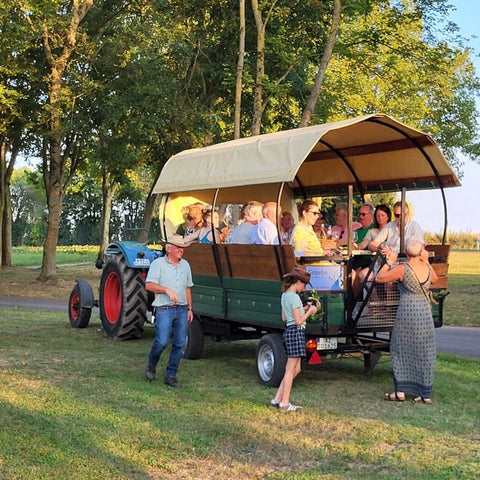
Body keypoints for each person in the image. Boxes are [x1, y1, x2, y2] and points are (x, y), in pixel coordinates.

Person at [375, 237, 438, 403]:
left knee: (401, 348)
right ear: (420, 251)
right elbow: (435, 279)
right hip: (424, 312)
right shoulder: (426, 267)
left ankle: (400, 391)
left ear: (406, 252)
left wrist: (390, 262)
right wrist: (426, 260)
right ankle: (425, 393)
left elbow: (379, 278)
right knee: (425, 351)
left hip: (407, 311)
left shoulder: (403, 268)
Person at [144, 235, 194, 387]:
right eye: (179, 248)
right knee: (162, 341)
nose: (181, 251)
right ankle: (151, 365)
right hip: (164, 308)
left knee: (179, 344)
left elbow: (187, 288)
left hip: (182, 309)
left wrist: (190, 309)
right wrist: (165, 289)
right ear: (170, 248)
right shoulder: (158, 264)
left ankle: (170, 376)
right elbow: (149, 285)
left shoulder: (185, 265)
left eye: (183, 248)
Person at [270, 267, 318, 412]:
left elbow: (285, 317)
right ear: (297, 282)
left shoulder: (285, 296)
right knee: (291, 369)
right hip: (296, 331)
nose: (304, 288)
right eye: (303, 284)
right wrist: (310, 311)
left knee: (296, 368)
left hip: (289, 331)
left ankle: (277, 399)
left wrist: (302, 308)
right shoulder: (295, 297)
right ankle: (285, 403)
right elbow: (298, 321)